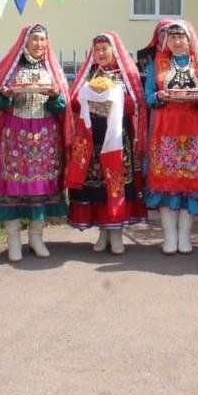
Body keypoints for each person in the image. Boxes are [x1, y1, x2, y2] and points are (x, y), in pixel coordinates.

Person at [0, 25, 71, 262]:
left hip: (45, 135)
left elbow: (62, 108)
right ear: (25, 42)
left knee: (41, 187)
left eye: (43, 40)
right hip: (14, 135)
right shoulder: (11, 70)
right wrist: (6, 95)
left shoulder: (52, 70)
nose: (39, 44)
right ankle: (14, 241)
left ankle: (37, 238)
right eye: (35, 39)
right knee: (13, 186)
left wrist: (54, 97)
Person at [65, 32, 147, 254]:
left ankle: (117, 233)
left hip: (119, 140)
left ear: (114, 51)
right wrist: (92, 98)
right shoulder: (89, 75)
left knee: (117, 184)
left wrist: (112, 97)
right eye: (97, 50)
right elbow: (73, 103)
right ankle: (103, 232)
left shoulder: (126, 76)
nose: (100, 53)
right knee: (98, 187)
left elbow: (135, 106)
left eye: (104, 49)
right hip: (92, 141)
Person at [144, 19, 198, 254]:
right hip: (165, 127)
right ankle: (169, 236)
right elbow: (148, 97)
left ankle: (185, 236)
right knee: (165, 181)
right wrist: (161, 95)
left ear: (189, 40)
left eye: (181, 37)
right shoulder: (157, 63)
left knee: (189, 182)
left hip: (193, 128)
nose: (176, 41)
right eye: (172, 37)